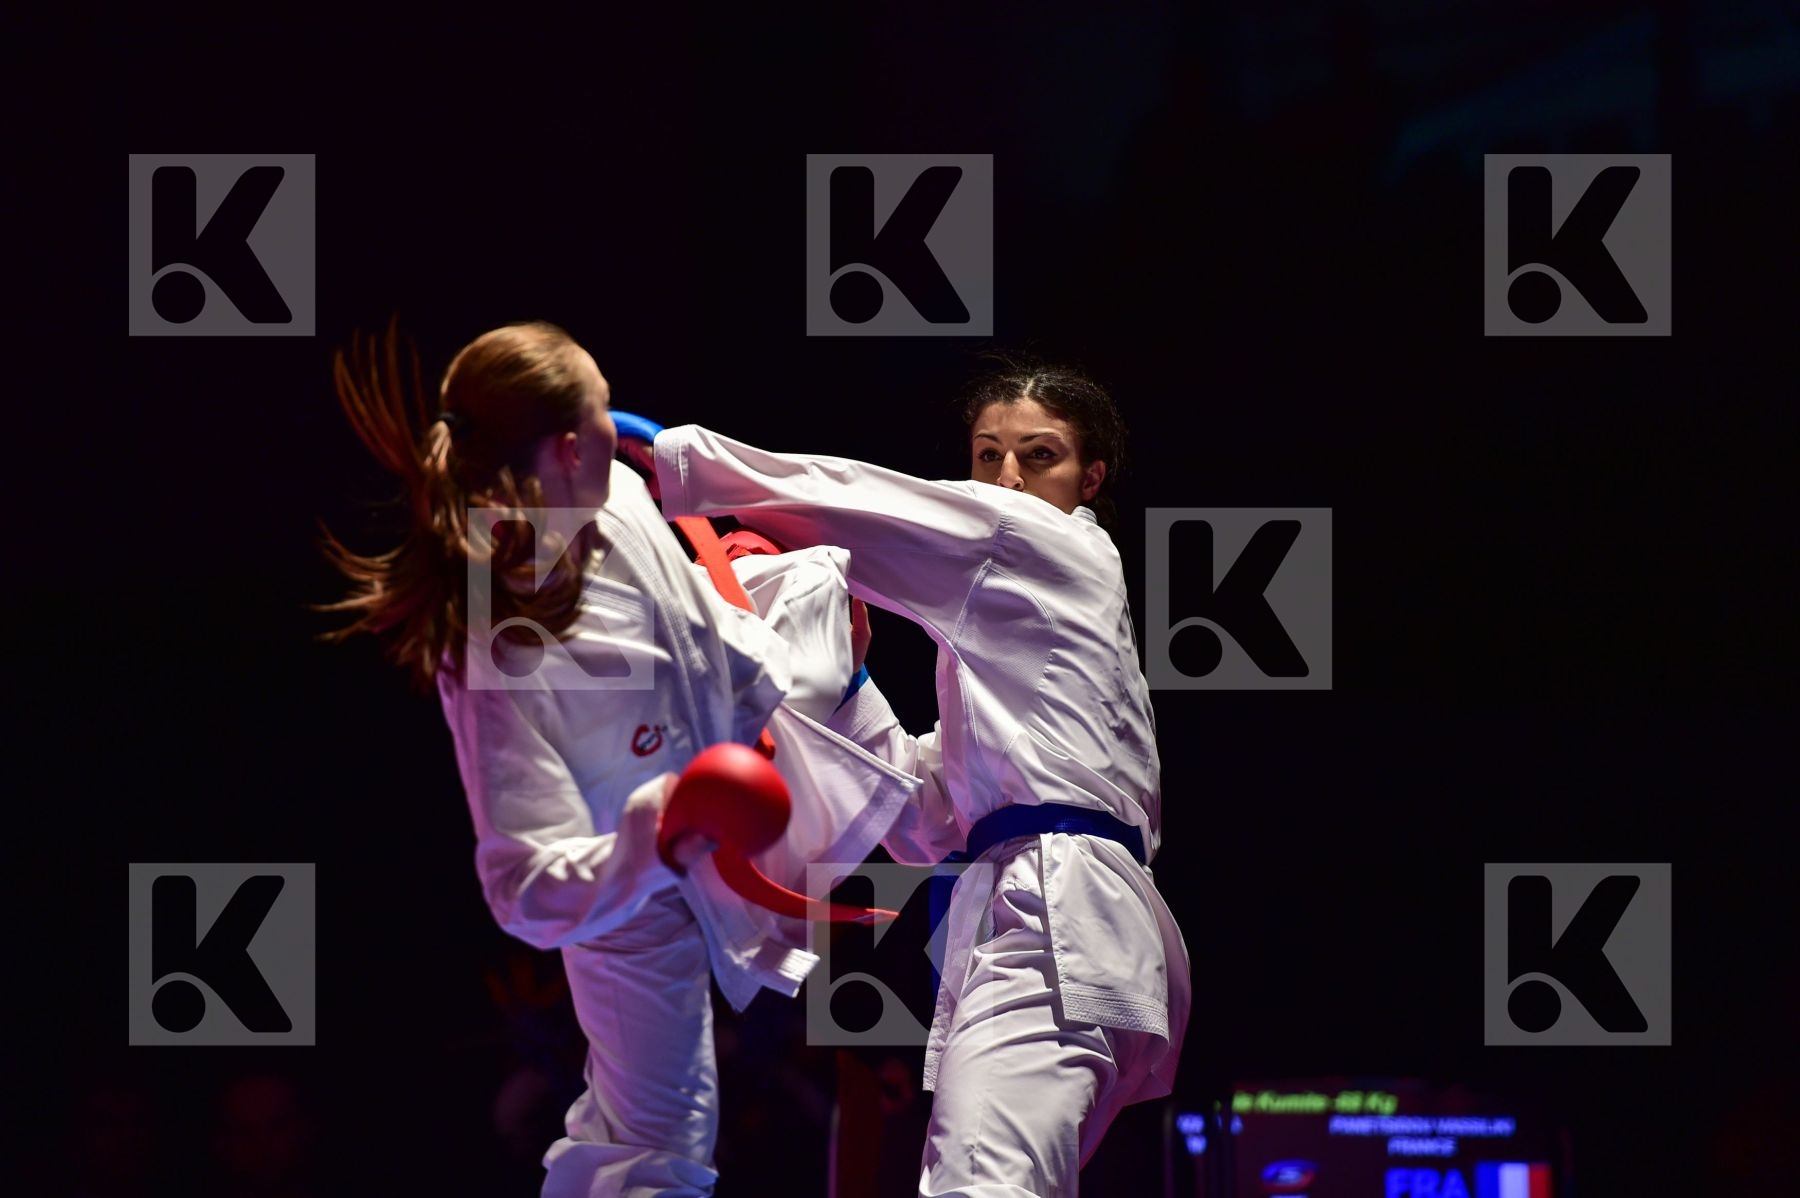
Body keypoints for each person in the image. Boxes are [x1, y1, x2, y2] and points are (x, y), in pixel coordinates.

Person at [314, 318, 920, 1197]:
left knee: (824, 607)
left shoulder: (619, 496)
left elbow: (708, 650)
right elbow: (521, 884)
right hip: (629, 894)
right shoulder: (497, 650)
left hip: (751, 752)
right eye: (606, 412)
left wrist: (803, 634)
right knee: (657, 1140)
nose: (619, 426)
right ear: (567, 449)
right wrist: (656, 832)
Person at [650, 357, 1190, 1197]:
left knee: (983, 1184)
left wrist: (674, 464)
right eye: (986, 456)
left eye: (1038, 456)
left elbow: (857, 503)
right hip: (1056, 912)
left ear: (1090, 479)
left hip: (1061, 915)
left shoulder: (1051, 548)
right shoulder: (1025, 673)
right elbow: (925, 818)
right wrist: (850, 680)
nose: (1006, 477)